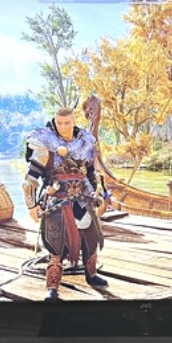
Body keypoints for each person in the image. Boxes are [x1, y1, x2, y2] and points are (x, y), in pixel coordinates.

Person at [23, 105, 107, 299]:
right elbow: (30, 180)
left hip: (84, 197)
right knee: (55, 244)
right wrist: (31, 206)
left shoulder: (85, 142)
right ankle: (52, 287)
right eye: (59, 123)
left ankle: (91, 275)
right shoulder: (46, 145)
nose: (63, 126)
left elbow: (91, 172)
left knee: (91, 238)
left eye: (67, 123)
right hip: (56, 199)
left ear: (74, 121)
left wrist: (98, 193)